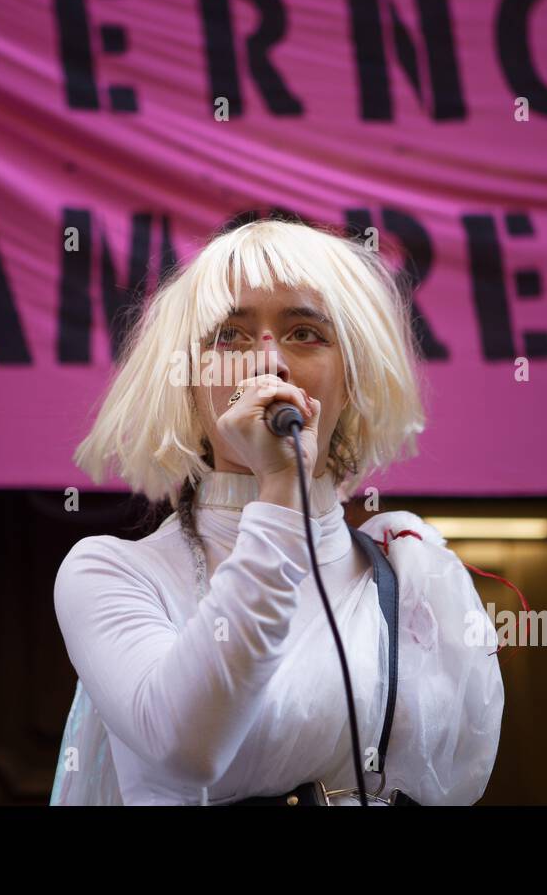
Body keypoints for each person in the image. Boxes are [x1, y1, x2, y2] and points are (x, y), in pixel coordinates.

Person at [49, 218, 504, 805]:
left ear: (352, 379)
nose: (268, 363)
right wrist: (280, 489)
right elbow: (189, 745)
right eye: (230, 336)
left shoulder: (413, 575)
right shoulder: (109, 574)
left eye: (305, 332)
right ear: (188, 382)